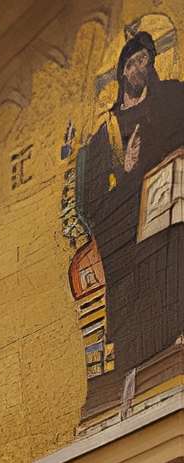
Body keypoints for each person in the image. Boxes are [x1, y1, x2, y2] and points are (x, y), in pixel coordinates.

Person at [79, 28, 184, 391]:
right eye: (135, 61)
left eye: (146, 60)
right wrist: (125, 173)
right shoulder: (104, 135)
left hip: (169, 197)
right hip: (125, 218)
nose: (142, 66)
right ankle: (138, 355)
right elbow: (91, 200)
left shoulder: (169, 99)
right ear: (124, 70)